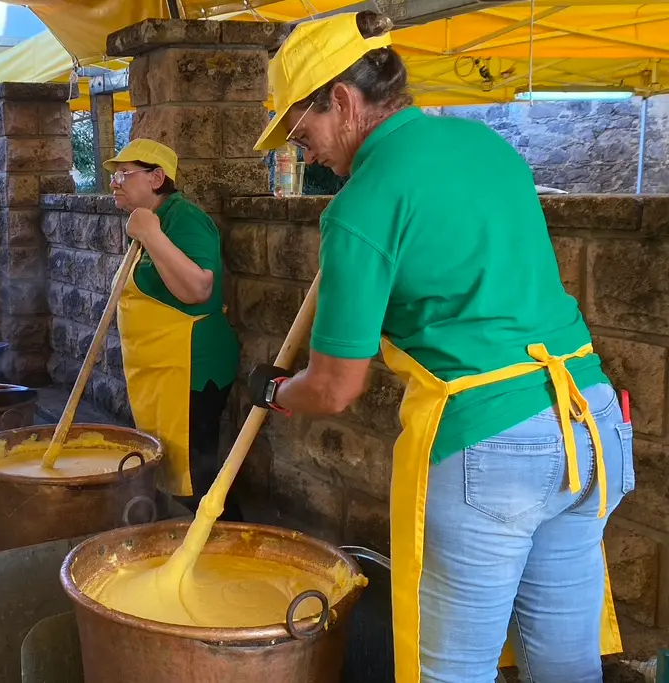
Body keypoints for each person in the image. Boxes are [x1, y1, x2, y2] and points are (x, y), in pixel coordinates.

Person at [247, 12, 631, 683]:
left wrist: (274, 392)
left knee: (450, 672)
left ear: (340, 99)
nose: (304, 152)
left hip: (491, 444)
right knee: (565, 665)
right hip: (588, 423)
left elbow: (336, 387)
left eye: (301, 131)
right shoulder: (487, 147)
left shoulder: (362, 203)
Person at [102, 139, 243, 521]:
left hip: (191, 370)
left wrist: (150, 233)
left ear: (157, 177)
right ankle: (187, 540)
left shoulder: (184, 219)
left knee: (197, 477)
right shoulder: (151, 221)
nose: (114, 183)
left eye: (123, 174)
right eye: (113, 176)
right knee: (176, 469)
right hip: (164, 373)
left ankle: (225, 548)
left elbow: (198, 289)